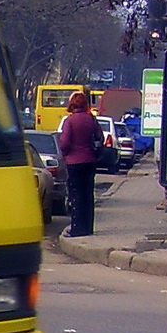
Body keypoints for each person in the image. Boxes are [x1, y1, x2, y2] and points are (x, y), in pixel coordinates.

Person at [58, 91, 103, 237]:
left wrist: (66, 154)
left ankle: (77, 228)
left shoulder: (70, 121)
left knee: (76, 195)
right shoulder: (91, 119)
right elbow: (100, 137)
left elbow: (64, 143)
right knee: (88, 195)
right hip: (89, 161)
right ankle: (88, 227)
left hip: (74, 162)